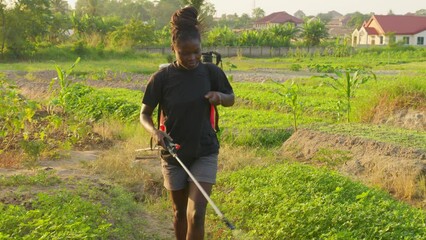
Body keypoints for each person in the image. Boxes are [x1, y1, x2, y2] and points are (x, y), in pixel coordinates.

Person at [139, 6, 235, 240]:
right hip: (174, 153)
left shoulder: (211, 72)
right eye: (185, 53)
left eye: (196, 52)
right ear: (174, 49)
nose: (192, 58)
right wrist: (156, 133)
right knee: (180, 212)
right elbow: (144, 114)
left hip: (205, 150)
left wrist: (219, 97)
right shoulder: (161, 79)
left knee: (197, 214)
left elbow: (231, 98)